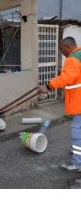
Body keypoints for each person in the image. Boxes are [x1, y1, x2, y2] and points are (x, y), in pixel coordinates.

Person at [39, 36, 81, 172]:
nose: (61, 52)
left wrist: (48, 86)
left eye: (61, 49)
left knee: (77, 132)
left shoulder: (72, 59)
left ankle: (77, 163)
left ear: (67, 47)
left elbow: (66, 78)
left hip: (79, 103)